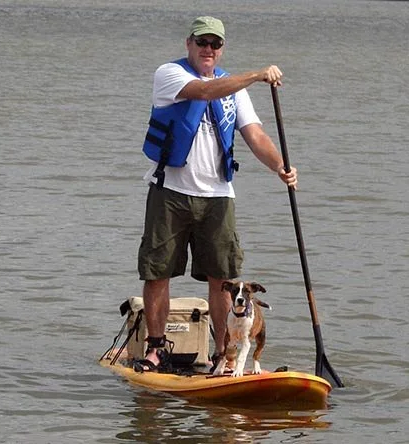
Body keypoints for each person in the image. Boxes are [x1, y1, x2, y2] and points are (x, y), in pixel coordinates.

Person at [134, 16, 298, 372]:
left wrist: (280, 166)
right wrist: (256, 75)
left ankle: (224, 354)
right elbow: (205, 92)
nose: (208, 49)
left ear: (222, 49)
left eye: (216, 44)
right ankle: (156, 347)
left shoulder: (234, 89)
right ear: (189, 44)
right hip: (170, 191)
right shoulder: (170, 74)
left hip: (218, 196)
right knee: (157, 272)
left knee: (222, 279)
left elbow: (255, 135)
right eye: (202, 42)